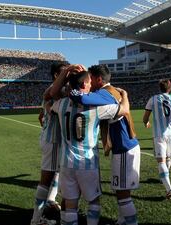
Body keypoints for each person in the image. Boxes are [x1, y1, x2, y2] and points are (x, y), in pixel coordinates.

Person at [51, 70, 130, 225]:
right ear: (84, 85)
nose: (92, 85)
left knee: (71, 206)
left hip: (66, 164)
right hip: (87, 163)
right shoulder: (96, 107)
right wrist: (125, 96)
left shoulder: (60, 104)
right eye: (89, 82)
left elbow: (50, 104)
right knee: (93, 202)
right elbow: (124, 110)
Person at [69, 65, 140, 225]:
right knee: (120, 190)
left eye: (91, 79)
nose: (90, 82)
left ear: (99, 79)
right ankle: (122, 221)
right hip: (124, 146)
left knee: (123, 194)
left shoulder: (104, 93)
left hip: (124, 147)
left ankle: (131, 222)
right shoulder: (110, 92)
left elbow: (81, 97)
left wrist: (73, 86)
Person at [30, 62, 68, 225]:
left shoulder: (57, 89)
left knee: (57, 173)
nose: (68, 75)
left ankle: (51, 200)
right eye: (64, 72)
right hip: (53, 140)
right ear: (56, 75)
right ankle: (36, 219)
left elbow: (40, 116)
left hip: (53, 139)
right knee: (46, 178)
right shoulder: (54, 89)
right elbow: (50, 96)